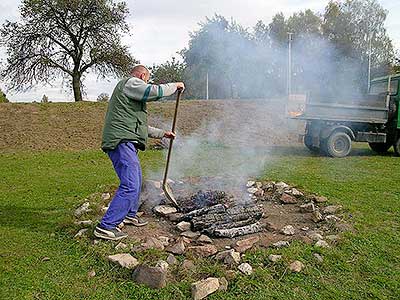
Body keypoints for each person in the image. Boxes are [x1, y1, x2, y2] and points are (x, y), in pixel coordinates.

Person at [94, 65, 185, 241]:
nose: (146, 82)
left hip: (126, 141)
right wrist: (175, 85)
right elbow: (153, 91)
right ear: (143, 76)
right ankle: (106, 227)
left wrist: (163, 134)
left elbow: (141, 127)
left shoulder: (130, 100)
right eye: (147, 79)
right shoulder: (130, 83)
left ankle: (129, 214)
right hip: (121, 142)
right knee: (130, 184)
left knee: (136, 180)